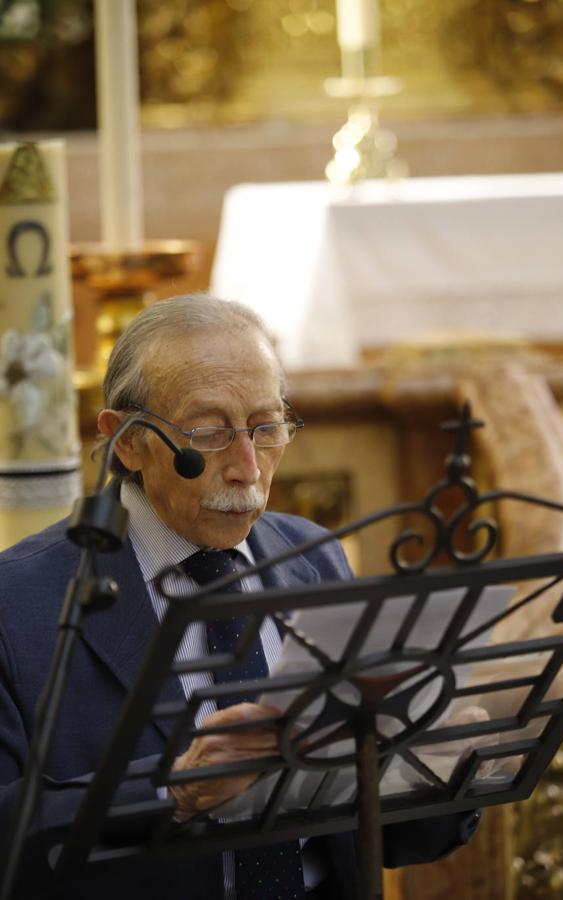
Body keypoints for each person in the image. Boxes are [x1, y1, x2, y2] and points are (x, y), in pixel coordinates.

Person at [0, 294, 480, 899]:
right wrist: (171, 792)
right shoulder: (17, 606)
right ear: (125, 440)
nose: (248, 468)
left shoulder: (316, 558)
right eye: (209, 432)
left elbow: (385, 834)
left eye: (267, 426)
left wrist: (441, 777)